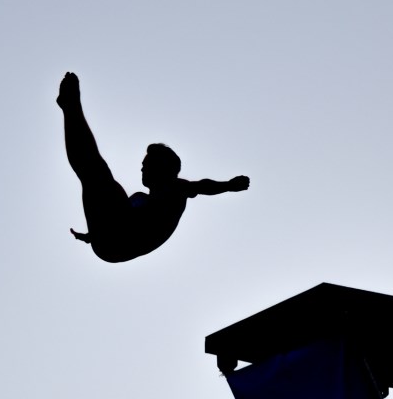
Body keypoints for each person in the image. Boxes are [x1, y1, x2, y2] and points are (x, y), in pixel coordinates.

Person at [57, 72, 250, 263]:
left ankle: (71, 108)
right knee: (94, 177)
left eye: (147, 165)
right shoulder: (141, 200)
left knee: (98, 174)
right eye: (143, 165)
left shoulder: (176, 188)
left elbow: (202, 185)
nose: (142, 169)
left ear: (164, 168)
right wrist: (91, 235)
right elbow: (109, 211)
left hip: (121, 241)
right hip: (108, 242)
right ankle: (70, 110)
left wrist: (229, 185)